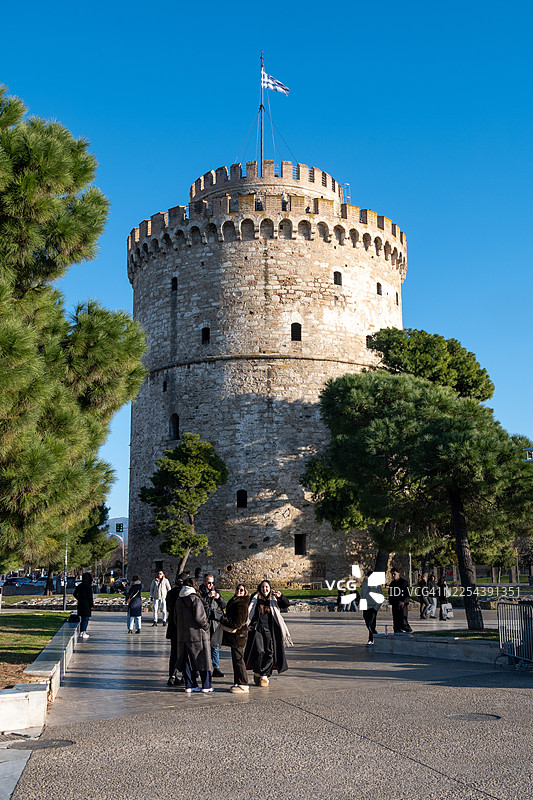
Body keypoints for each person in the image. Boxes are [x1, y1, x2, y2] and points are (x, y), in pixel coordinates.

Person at [244, 580, 292, 686]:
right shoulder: (255, 598)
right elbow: (249, 612)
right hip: (257, 629)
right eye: (262, 587)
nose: (264, 589)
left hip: (270, 630)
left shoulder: (274, 598)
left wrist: (281, 596)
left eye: (266, 587)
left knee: (269, 652)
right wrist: (248, 625)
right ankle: (257, 671)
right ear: (259, 588)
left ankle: (264, 675)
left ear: (270, 588)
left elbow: (286, 604)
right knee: (259, 651)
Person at [175, 578, 213, 693]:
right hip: (198, 635)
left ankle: (190, 685)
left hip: (183, 634)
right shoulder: (195, 599)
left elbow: (175, 619)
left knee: (187, 661)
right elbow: (199, 618)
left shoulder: (179, 600)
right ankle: (206, 685)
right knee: (203, 660)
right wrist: (206, 626)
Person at [220, 584, 250, 693]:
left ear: (245, 592)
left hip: (239, 636)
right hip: (235, 636)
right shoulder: (235, 600)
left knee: (239, 660)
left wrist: (223, 619)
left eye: (241, 590)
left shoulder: (241, 603)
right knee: (236, 659)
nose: (239, 591)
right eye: (237, 589)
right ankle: (238, 682)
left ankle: (243, 683)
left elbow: (237, 623)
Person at [199, 573, 226, 678]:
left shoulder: (216, 591)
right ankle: (200, 667)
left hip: (214, 622)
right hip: (204, 622)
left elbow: (223, 605)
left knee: (215, 645)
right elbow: (199, 604)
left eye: (212, 583)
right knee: (202, 646)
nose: (210, 585)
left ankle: (216, 667)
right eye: (209, 582)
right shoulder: (200, 591)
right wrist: (207, 597)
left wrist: (219, 598)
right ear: (204, 581)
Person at [165, 572, 188, 685]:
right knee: (183, 652)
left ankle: (172, 676)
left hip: (172, 626)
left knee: (174, 652)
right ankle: (184, 675)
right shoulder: (184, 594)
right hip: (182, 627)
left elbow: (168, 608)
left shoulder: (170, 593)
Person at [360, 570, 383, 645]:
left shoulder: (377, 586)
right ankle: (377, 636)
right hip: (366, 607)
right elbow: (362, 595)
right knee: (367, 624)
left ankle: (371, 639)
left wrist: (376, 608)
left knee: (371, 624)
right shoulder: (365, 584)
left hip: (373, 607)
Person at [388, 568, 412, 633]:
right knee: (396, 623)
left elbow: (408, 594)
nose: (393, 576)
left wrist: (404, 602)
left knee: (403, 622)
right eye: (392, 574)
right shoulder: (392, 584)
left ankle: (409, 634)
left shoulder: (404, 582)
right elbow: (390, 594)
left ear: (398, 574)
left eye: (394, 574)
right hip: (395, 605)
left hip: (402, 606)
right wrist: (391, 601)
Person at [73, 573, 94, 640]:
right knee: (85, 619)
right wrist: (91, 605)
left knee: (82, 618)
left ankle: (81, 631)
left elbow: (74, 594)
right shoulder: (88, 587)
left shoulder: (80, 586)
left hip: (80, 604)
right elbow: (90, 597)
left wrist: (79, 598)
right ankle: (83, 632)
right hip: (87, 605)